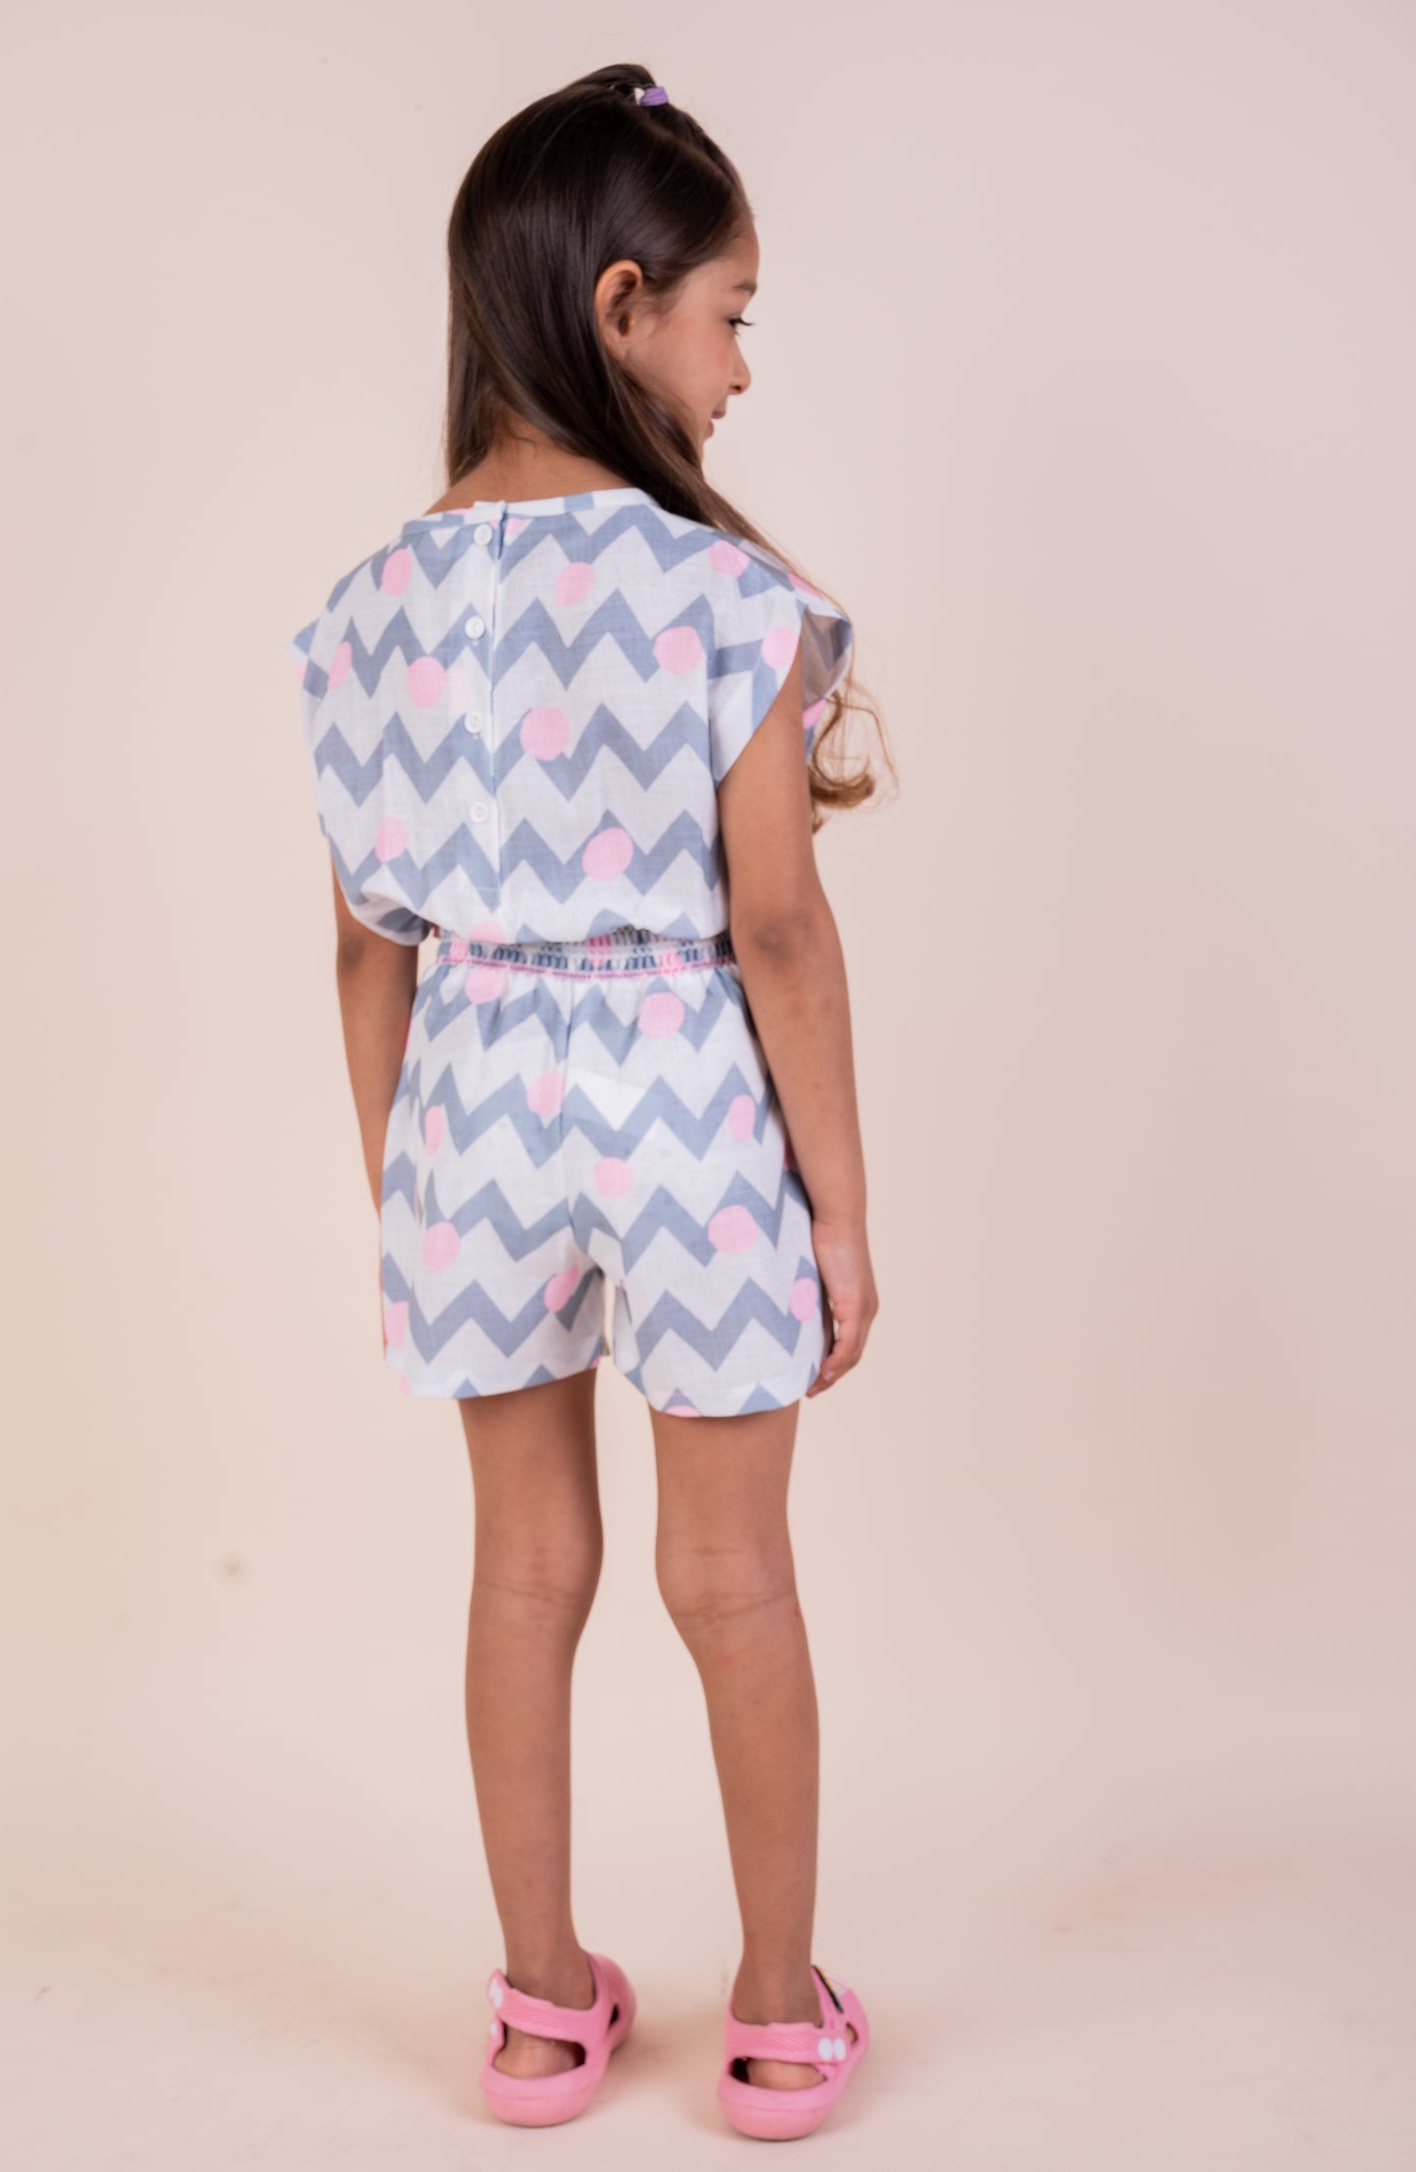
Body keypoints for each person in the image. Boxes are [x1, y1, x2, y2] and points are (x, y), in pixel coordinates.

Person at [288, 63, 896, 2141]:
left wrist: (401, 1178)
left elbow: (364, 948)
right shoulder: (720, 600)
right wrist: (837, 1210)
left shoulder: (363, 612)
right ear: (622, 306)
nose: (740, 370)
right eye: (731, 316)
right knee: (733, 1580)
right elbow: (779, 931)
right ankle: (776, 2018)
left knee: (522, 1569)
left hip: (469, 1096)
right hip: (681, 1098)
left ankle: (544, 2010)